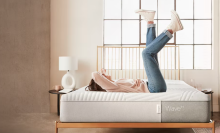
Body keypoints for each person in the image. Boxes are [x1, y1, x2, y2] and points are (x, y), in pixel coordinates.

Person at [86, 10, 183, 93]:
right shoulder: (112, 88)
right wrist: (100, 72)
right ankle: (172, 28)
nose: (104, 73)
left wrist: (136, 82)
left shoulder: (115, 83)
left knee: (151, 52)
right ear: (102, 83)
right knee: (146, 53)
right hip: (154, 88)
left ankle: (150, 21)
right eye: (103, 75)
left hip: (152, 85)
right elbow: (95, 75)